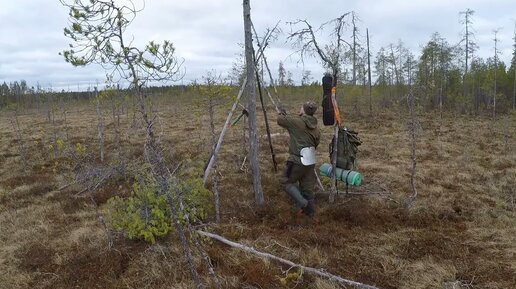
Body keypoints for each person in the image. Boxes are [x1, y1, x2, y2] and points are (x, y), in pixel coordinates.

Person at [277, 101, 320, 217]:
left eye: (301, 107)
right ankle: (310, 215)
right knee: (307, 190)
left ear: (304, 110)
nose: (300, 108)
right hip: (310, 162)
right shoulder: (315, 127)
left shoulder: (297, 122)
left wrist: (281, 113)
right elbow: (316, 143)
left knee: (285, 182)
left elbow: (280, 120)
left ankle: (302, 203)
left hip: (297, 160)